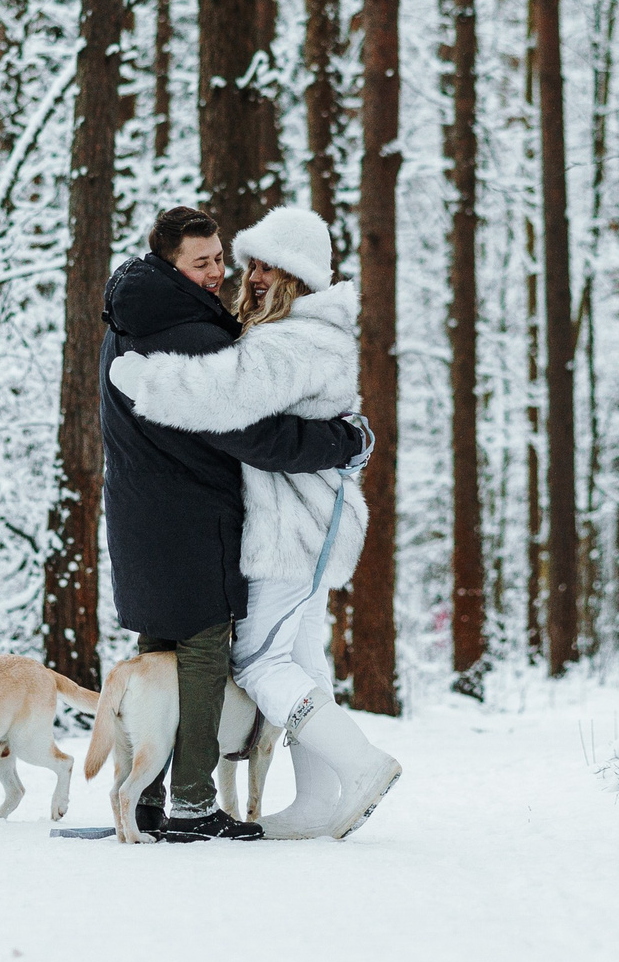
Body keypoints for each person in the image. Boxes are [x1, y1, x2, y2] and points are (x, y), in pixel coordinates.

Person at [110, 205, 401, 840]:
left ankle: (362, 764)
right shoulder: (287, 329)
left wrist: (143, 380)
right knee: (300, 658)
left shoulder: (297, 337)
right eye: (255, 262)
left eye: (273, 266)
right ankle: (319, 800)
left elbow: (228, 407)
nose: (254, 275)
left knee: (258, 663)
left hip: (292, 531)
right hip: (300, 526)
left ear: (300, 276)